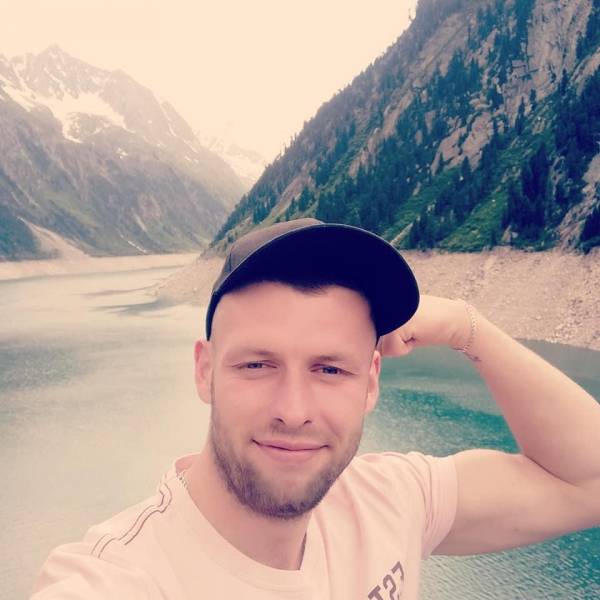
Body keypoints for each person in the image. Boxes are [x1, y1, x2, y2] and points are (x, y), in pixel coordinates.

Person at [31, 218, 600, 599]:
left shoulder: (388, 500)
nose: (294, 410)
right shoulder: (120, 579)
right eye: (257, 364)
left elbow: (588, 482)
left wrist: (464, 325)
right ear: (205, 371)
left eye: (330, 370)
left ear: (370, 382)